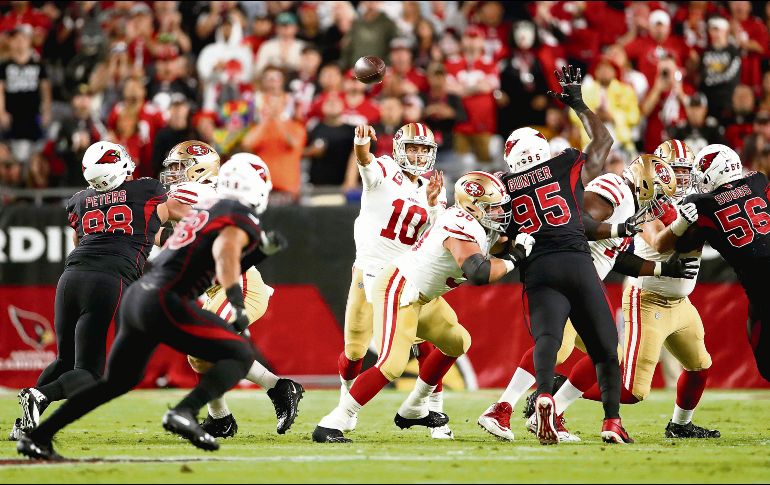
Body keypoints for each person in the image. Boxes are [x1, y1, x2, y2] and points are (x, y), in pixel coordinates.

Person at [17, 157, 273, 460]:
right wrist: (236, 298)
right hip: (166, 299)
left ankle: (39, 437)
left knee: (116, 381)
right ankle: (184, 411)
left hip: (138, 294)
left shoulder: (202, 212)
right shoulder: (236, 215)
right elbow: (225, 252)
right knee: (239, 353)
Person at [479, 152, 697, 442]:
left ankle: (549, 413)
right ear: (644, 184)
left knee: (607, 354)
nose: (660, 204)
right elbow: (578, 222)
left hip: (584, 281)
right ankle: (501, 408)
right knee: (561, 346)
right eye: (658, 194)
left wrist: (661, 267)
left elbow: (616, 257)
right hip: (571, 277)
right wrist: (620, 228)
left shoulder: (629, 207)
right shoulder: (614, 188)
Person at [314, 171, 534, 443]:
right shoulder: (460, 224)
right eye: (493, 206)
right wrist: (515, 257)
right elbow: (479, 272)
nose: (500, 212)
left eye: (501, 206)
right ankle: (334, 421)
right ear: (472, 205)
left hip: (424, 296)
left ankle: (415, 406)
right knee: (391, 365)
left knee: (457, 341)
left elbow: (500, 244)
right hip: (400, 288)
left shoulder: (481, 224)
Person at [10, 141, 189, 441]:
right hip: (110, 279)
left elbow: (82, 242)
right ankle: (41, 396)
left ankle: (26, 421)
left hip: (70, 278)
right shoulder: (147, 190)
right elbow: (166, 219)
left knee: (64, 360)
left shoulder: (79, 200)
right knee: (92, 372)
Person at [498, 65, 629, 444]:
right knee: (605, 348)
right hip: (576, 259)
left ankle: (542, 395)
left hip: (538, 269)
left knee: (548, 340)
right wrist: (579, 104)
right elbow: (604, 143)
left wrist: (512, 250)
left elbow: (501, 243)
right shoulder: (564, 163)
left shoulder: (505, 187)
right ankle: (611, 423)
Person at [160, 143, 303, 438]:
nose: (173, 174)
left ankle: (275, 390)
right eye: (172, 167)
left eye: (179, 166)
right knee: (199, 353)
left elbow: (159, 222)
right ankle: (222, 417)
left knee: (201, 344)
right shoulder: (207, 195)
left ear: (200, 168)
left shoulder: (198, 193)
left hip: (240, 285)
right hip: (217, 288)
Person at [334, 122, 455, 439]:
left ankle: (435, 412)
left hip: (409, 274)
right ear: (400, 149)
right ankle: (345, 406)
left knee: (429, 342)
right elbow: (365, 162)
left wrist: (431, 206)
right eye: (412, 148)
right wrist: (361, 143)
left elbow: (437, 236)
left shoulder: (436, 187)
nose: (417, 155)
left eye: (424, 149)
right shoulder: (386, 169)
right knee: (354, 351)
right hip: (370, 272)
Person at [654, 144, 770, 383]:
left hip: (760, 287)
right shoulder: (758, 181)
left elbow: (679, 245)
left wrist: (679, 223)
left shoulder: (702, 203)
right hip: (759, 285)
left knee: (766, 360)